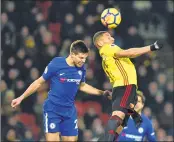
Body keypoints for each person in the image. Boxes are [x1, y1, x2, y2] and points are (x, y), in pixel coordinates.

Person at [11, 40, 111, 141]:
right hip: (53, 109)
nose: (83, 61)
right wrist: (21, 97)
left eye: (85, 58)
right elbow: (38, 82)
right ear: (72, 54)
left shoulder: (81, 69)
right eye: (81, 57)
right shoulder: (56, 63)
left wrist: (102, 92)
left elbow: (82, 86)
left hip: (69, 111)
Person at [93, 31, 162, 141]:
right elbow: (130, 52)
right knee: (118, 116)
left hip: (123, 88)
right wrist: (152, 47)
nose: (111, 37)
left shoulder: (105, 59)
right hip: (126, 86)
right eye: (107, 36)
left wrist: (115, 95)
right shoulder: (109, 48)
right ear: (100, 43)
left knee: (121, 124)